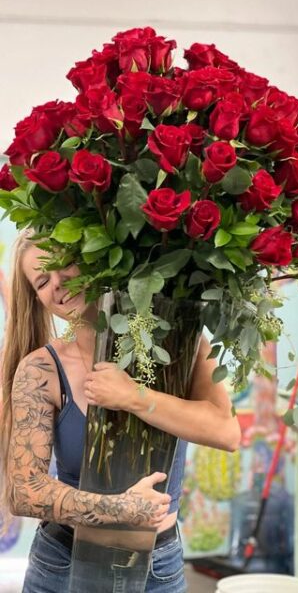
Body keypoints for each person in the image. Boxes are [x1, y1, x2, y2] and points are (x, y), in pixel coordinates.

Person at [0, 229, 241, 593]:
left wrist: (134, 396)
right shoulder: (41, 369)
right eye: (42, 281)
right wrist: (123, 509)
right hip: (63, 564)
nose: (58, 285)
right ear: (37, 298)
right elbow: (24, 491)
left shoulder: (178, 342)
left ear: (95, 260)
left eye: (63, 266)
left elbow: (226, 433)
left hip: (158, 567)